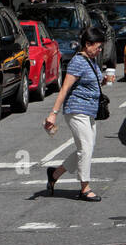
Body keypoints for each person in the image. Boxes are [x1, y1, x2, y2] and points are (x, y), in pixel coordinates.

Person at [44, 26, 114, 202]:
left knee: (85, 148)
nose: (99, 50)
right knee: (86, 148)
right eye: (97, 47)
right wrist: (53, 113)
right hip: (76, 110)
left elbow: (92, 84)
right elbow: (65, 89)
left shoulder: (91, 61)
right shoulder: (77, 62)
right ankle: (85, 188)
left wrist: (105, 81)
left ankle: (55, 174)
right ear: (87, 44)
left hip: (89, 111)